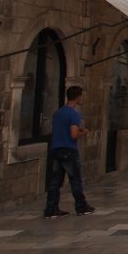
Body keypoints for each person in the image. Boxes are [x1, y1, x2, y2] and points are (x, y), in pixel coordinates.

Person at [43, 85, 94, 218]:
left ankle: (51, 209)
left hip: (55, 149)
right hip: (69, 150)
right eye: (81, 96)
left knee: (54, 182)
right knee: (75, 179)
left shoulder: (58, 113)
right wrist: (84, 132)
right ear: (78, 97)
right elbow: (73, 134)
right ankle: (81, 207)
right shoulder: (73, 114)